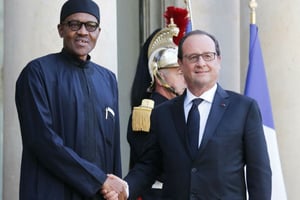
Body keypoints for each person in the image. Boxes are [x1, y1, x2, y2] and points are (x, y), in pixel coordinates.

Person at [105, 29, 272, 200]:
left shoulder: (244, 108)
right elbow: (150, 165)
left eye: (208, 56)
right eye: (193, 57)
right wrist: (125, 188)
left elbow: (259, 174)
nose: (201, 63)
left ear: (219, 61)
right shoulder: (162, 114)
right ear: (181, 64)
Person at [15, 0, 125, 199]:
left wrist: (113, 189)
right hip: (52, 192)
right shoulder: (38, 73)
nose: (83, 32)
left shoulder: (108, 79)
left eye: (90, 26)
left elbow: (113, 146)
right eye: (74, 25)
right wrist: (97, 179)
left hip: (99, 194)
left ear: (98, 31)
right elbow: (41, 141)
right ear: (61, 30)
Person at [126, 8, 188, 200]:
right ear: (159, 75)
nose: (187, 76)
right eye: (179, 71)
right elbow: (154, 167)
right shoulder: (147, 113)